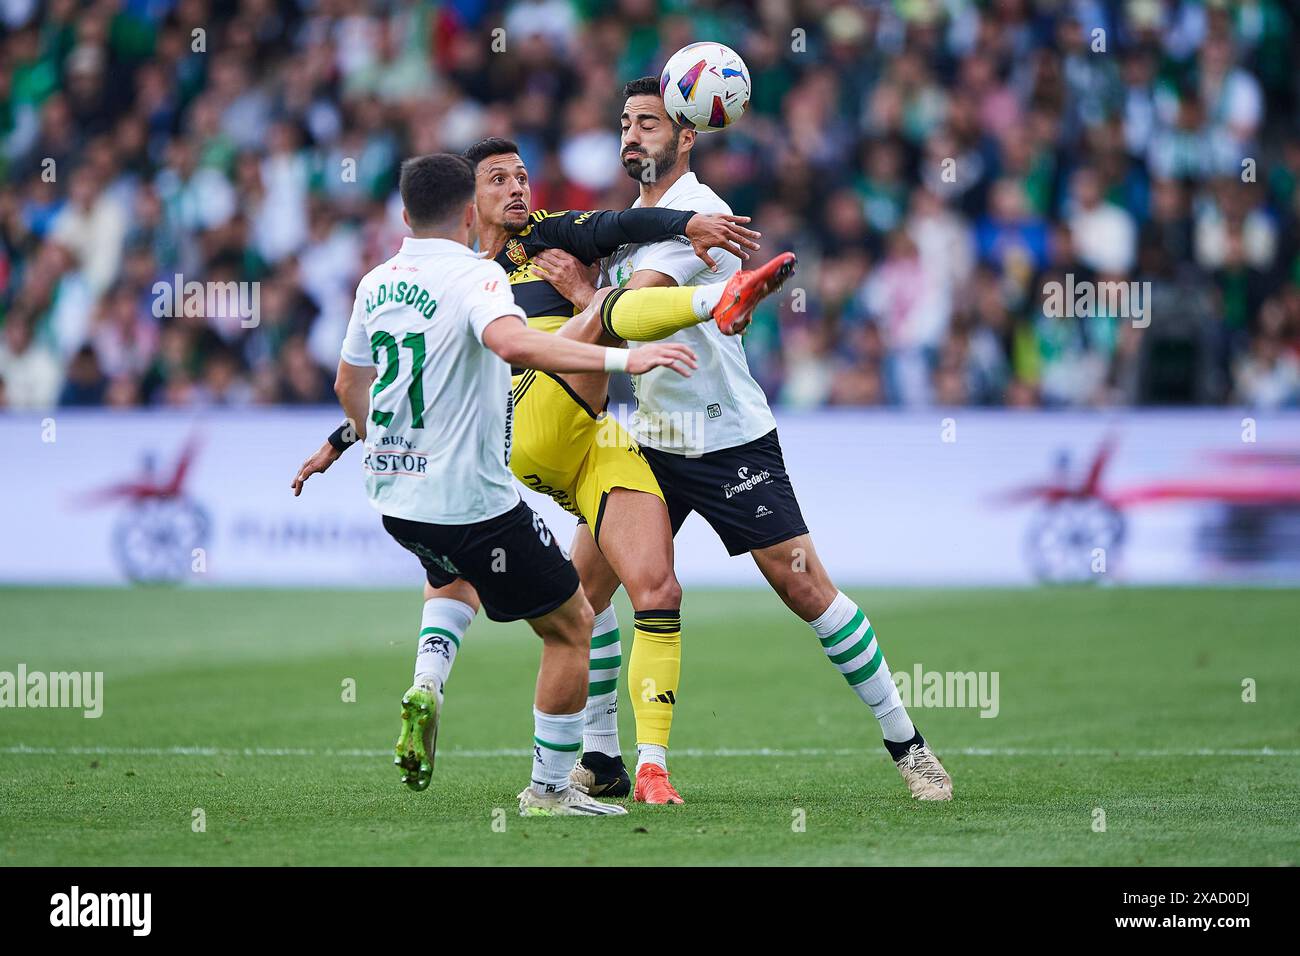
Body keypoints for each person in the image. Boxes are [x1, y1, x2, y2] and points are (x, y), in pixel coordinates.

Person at [548, 78, 951, 802]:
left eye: (648, 123)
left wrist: (585, 297)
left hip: (728, 438)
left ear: (687, 136)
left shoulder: (700, 212)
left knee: (806, 589)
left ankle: (908, 744)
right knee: (586, 589)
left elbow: (632, 309)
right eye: (625, 123)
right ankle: (605, 757)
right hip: (650, 438)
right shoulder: (630, 222)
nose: (632, 135)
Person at [296, 152, 697, 816]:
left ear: (403, 216)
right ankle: (549, 791)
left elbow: (352, 386)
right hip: (476, 488)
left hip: (398, 493)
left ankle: (428, 681)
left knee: (452, 572)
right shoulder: (481, 278)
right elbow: (517, 346)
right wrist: (625, 350)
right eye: (497, 180)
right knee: (573, 622)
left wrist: (347, 439)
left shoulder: (377, 283)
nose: (516, 188)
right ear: (464, 211)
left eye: (521, 177)